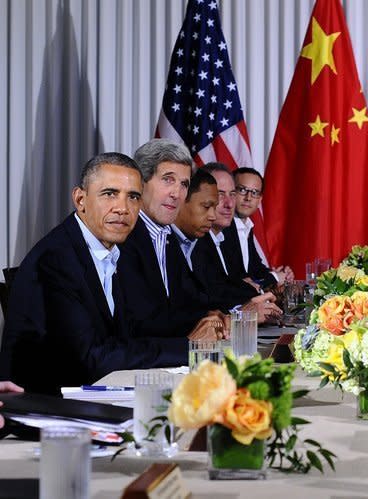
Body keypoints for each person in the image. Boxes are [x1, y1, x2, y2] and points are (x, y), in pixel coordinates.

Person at [0, 153, 201, 394]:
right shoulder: (55, 260)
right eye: (110, 194)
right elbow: (91, 358)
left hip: (92, 390)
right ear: (80, 199)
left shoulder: (111, 249)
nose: (123, 209)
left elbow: (128, 335)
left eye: (133, 197)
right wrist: (191, 349)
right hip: (47, 406)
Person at [118, 139, 226, 339]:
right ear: (140, 182)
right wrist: (189, 341)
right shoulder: (122, 235)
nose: (177, 193)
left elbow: (178, 306)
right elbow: (139, 323)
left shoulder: (166, 236)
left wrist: (208, 317)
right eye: (168, 179)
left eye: (184, 184)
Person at [174, 168, 282, 322]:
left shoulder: (221, 237)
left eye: (232, 194)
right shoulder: (194, 241)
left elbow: (229, 286)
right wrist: (241, 315)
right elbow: (207, 300)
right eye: (220, 194)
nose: (230, 204)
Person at [223, 167, 293, 288]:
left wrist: (281, 274)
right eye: (243, 190)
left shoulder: (246, 227)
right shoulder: (222, 228)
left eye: (255, 192)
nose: (248, 198)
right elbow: (235, 280)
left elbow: (255, 270)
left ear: (260, 199)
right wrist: (275, 278)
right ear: (231, 192)